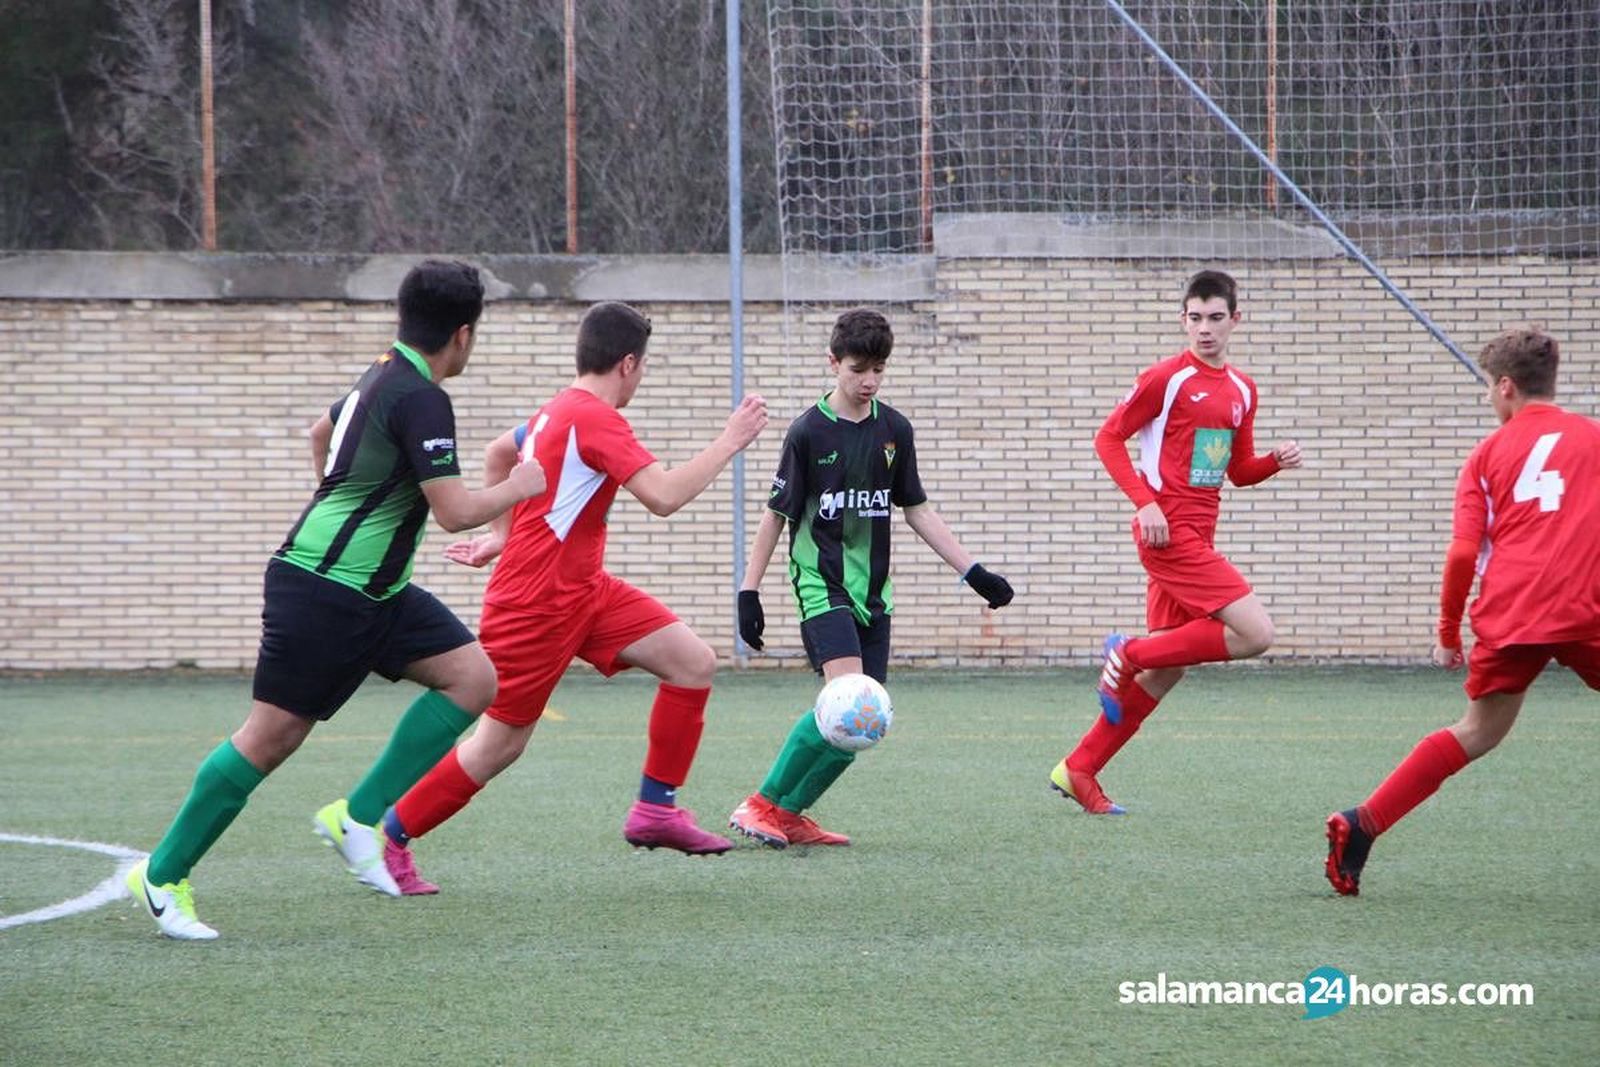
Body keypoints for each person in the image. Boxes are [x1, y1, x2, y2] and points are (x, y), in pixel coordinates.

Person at [125, 260, 546, 939]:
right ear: (463, 335)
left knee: (472, 678)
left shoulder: (379, 373)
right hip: (323, 590)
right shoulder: (421, 396)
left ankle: (357, 817)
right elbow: (455, 511)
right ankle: (162, 873)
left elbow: (318, 435)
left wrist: (343, 500)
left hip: (377, 590)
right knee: (269, 739)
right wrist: (520, 485)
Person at [368, 301, 767, 878]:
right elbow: (664, 497)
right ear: (628, 363)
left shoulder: (558, 409)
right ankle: (391, 835)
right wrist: (730, 441)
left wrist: (500, 536)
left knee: (692, 662)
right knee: (497, 745)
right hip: (535, 603)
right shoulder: (597, 418)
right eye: (644, 366)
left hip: (585, 590)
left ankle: (655, 810)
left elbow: (499, 453)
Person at [1326, 326, 1600, 895]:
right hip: (1584, 608)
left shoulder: (1484, 456)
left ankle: (1362, 824)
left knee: (1478, 731)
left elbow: (1461, 554)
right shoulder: (1593, 439)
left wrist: (1447, 632)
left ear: (1505, 387)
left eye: (1486, 388)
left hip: (1511, 612)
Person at [729, 308, 1014, 849]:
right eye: (858, 368)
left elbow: (918, 510)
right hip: (822, 585)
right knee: (848, 702)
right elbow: (776, 514)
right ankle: (760, 805)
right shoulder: (808, 431)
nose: (869, 381)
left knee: (866, 719)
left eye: (879, 370)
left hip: (873, 595)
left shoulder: (894, 430)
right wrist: (749, 590)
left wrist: (974, 572)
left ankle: (790, 813)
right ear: (833, 362)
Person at [1049, 269, 1302, 815]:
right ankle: (1125, 653)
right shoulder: (1166, 378)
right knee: (1257, 633)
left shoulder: (1241, 390)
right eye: (1195, 318)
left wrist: (1274, 464)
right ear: (1182, 319)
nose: (1204, 329)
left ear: (1236, 319)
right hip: (1166, 533)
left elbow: (1236, 471)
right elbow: (1108, 438)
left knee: (1168, 669)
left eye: (1215, 318)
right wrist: (1146, 503)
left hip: (1198, 535)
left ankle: (1079, 769)